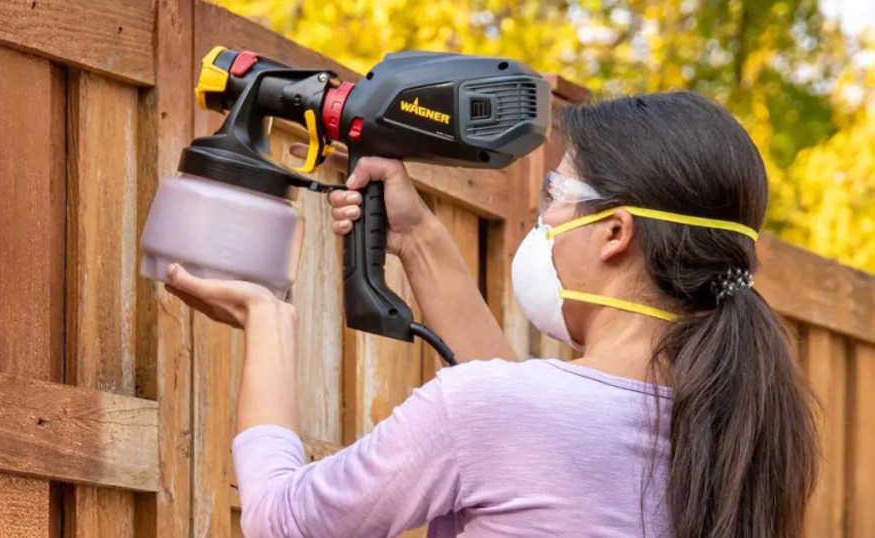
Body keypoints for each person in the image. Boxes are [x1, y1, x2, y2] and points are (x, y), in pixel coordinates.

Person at [164, 91, 819, 537]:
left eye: (557, 192)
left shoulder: (498, 412)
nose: (547, 218)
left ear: (616, 233)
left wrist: (269, 321)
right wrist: (417, 238)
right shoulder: (734, 428)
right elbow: (522, 436)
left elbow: (284, 520)